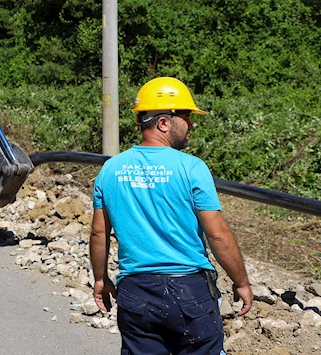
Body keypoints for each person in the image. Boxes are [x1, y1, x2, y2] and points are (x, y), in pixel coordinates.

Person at [90, 77, 253, 354]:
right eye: (187, 117)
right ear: (164, 122)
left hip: (135, 292)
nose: (191, 125)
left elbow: (98, 233)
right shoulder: (192, 168)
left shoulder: (111, 169)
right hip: (189, 292)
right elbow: (217, 234)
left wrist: (100, 278)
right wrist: (242, 282)